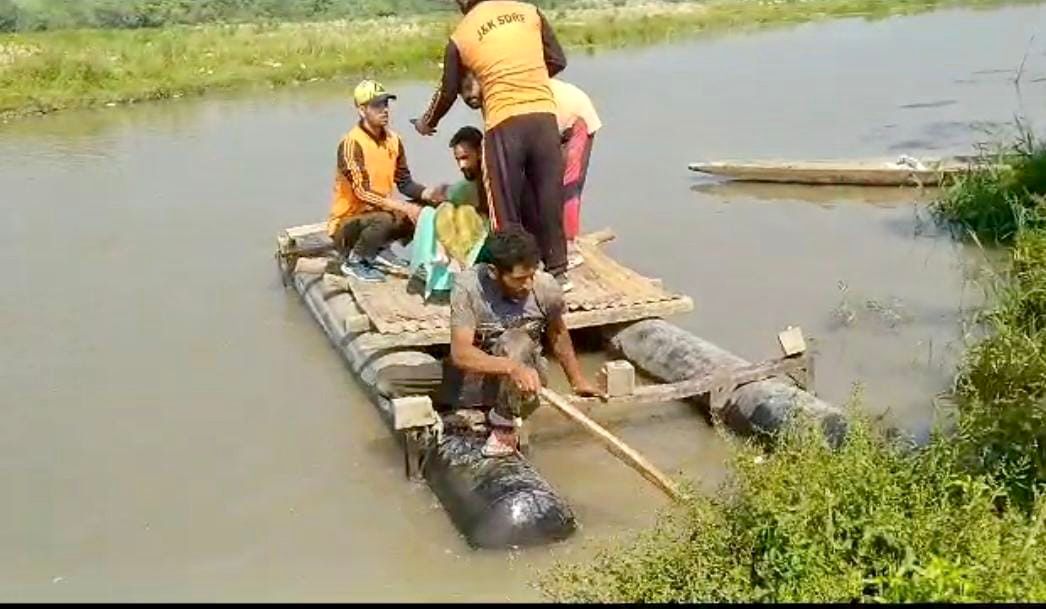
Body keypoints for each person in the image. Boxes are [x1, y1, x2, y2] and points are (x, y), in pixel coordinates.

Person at [412, 0, 571, 289]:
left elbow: (447, 91)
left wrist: (426, 122)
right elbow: (558, 60)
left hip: (504, 123)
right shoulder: (529, 11)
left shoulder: (461, 36)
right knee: (548, 197)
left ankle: (511, 277)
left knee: (503, 204)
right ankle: (559, 272)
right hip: (544, 117)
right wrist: (525, 77)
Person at [448, 227, 599, 457]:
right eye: (519, 279)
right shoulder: (468, 287)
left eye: (531, 275)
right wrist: (510, 368)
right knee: (398, 378)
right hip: (484, 374)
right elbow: (461, 354)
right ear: (494, 272)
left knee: (515, 340)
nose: (528, 284)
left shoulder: (545, 287)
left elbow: (558, 333)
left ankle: (504, 424)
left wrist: (577, 380)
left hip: (526, 381)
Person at [461, 73, 600, 262]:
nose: (468, 97)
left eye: (470, 90)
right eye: (463, 94)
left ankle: (569, 247)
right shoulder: (491, 101)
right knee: (534, 183)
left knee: (568, 185)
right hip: (544, 122)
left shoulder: (501, 94)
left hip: (574, 116)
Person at [329, 79, 444, 283]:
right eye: (376, 105)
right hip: (347, 223)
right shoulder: (351, 143)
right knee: (385, 219)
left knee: (427, 209)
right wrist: (403, 207)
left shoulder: (394, 140)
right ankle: (355, 261)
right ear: (362, 110)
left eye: (385, 104)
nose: (384, 110)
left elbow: (405, 183)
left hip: (378, 215)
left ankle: (380, 250)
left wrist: (432, 195)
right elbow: (361, 192)